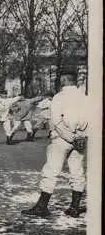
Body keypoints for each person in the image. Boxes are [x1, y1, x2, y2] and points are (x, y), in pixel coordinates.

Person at [21, 67, 88, 218]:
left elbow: (57, 122)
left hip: (62, 138)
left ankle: (42, 207)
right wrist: (81, 136)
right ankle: (74, 207)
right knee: (77, 172)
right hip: (81, 139)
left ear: (64, 79)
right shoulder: (85, 97)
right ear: (75, 79)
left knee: (51, 171)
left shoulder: (59, 97)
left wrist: (70, 137)